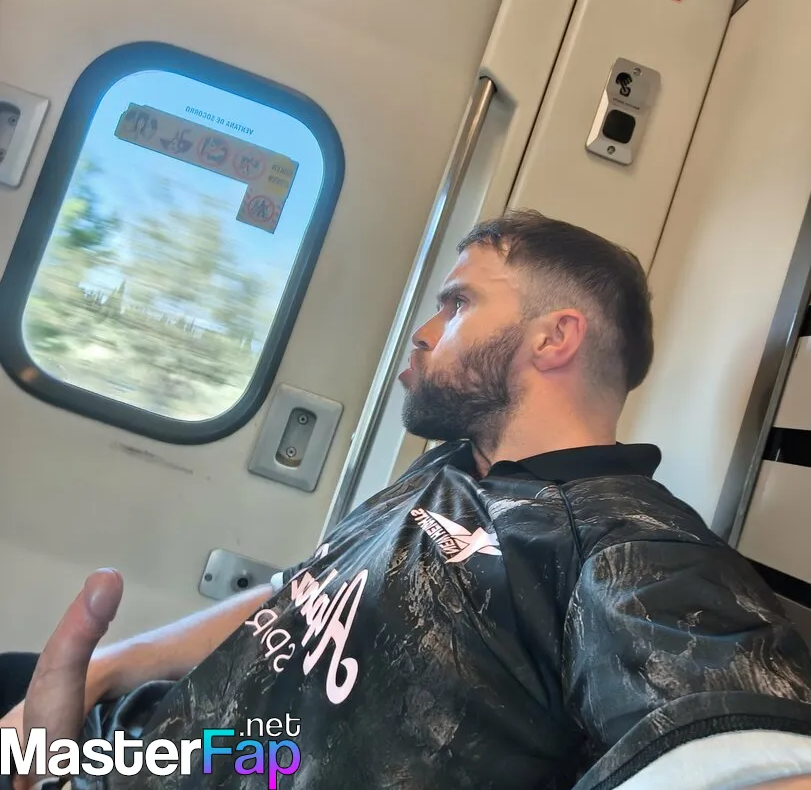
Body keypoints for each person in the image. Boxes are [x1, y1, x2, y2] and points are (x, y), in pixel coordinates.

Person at [7, 209, 811, 790]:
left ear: (553, 337)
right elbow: (301, 593)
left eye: (457, 303)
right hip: (141, 739)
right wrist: (104, 669)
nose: (424, 333)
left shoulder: (626, 548)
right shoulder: (451, 468)